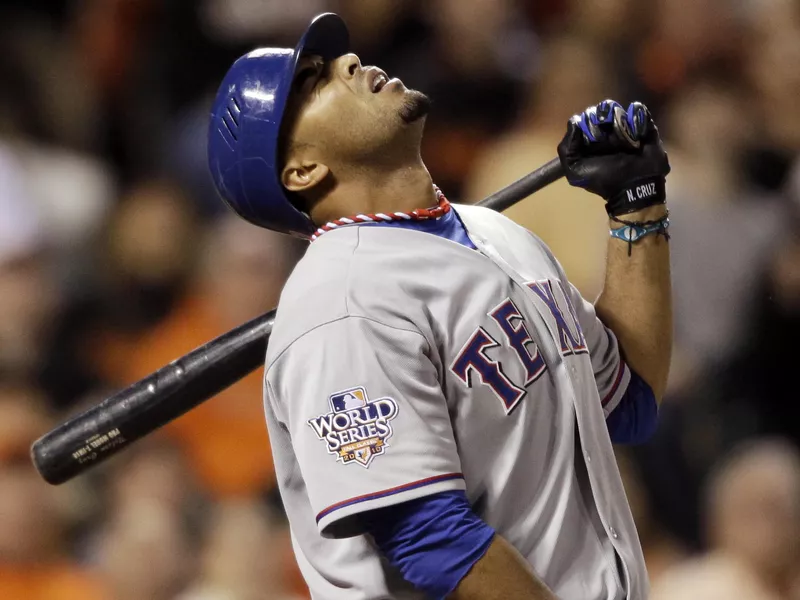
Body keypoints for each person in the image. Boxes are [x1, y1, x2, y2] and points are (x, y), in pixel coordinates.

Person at [207, 13, 672, 600]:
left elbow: (630, 404)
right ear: (303, 170)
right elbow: (431, 541)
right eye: (313, 82)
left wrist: (638, 209)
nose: (349, 62)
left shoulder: (493, 233)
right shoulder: (341, 307)